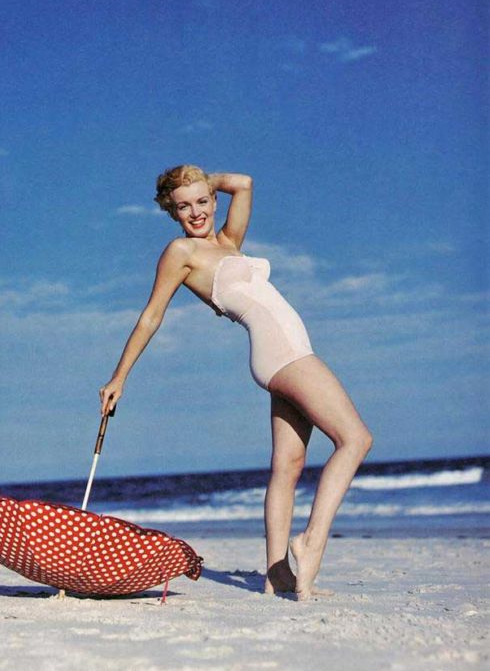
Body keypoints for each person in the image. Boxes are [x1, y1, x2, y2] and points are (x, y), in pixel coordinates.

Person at [99, 165, 373, 600]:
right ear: (171, 212)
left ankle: (278, 575)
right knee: (355, 439)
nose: (196, 212)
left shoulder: (229, 243)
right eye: (183, 206)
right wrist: (120, 376)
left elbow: (243, 183)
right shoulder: (180, 251)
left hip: (285, 354)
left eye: (202, 201)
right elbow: (151, 316)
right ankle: (312, 541)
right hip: (285, 355)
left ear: (213, 199)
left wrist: (202, 179)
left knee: (288, 465)